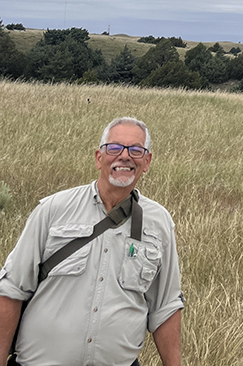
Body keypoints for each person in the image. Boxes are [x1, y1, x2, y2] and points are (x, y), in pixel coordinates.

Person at [0, 117, 184, 366]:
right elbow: (12, 289)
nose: (125, 156)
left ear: (147, 161)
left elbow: (166, 306)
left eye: (136, 150)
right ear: (99, 157)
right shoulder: (54, 210)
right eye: (115, 147)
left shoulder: (159, 222)